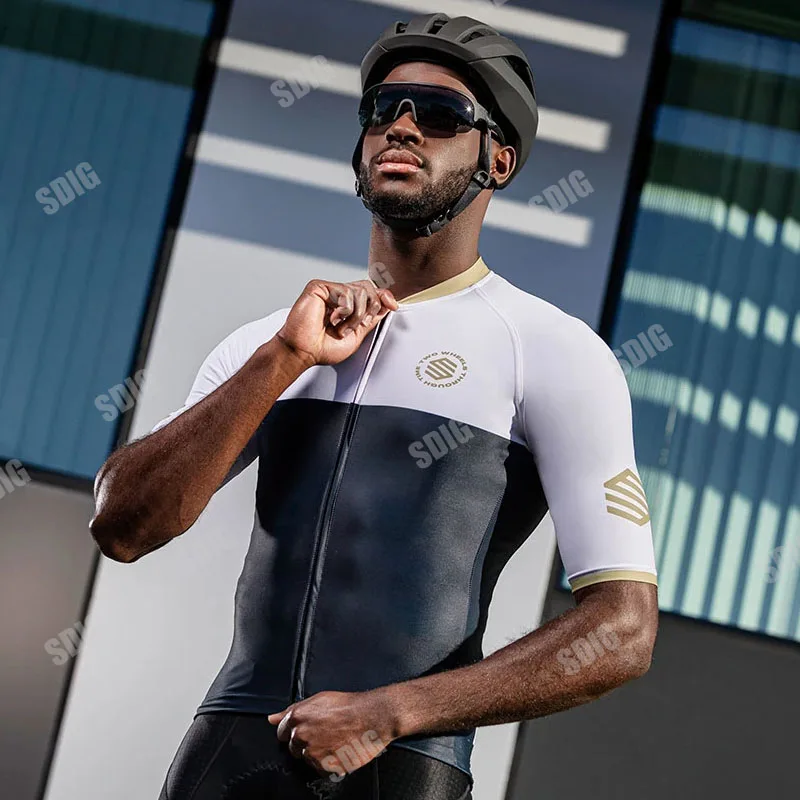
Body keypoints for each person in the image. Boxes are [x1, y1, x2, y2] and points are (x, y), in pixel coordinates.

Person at [90, 12, 659, 800]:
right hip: (228, 755)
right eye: (383, 109)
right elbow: (123, 526)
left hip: (402, 768)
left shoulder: (554, 351)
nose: (402, 126)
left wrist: (391, 713)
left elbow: (623, 630)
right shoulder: (274, 341)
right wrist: (284, 359)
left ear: (498, 160)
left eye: (441, 114)